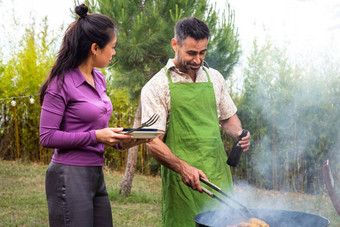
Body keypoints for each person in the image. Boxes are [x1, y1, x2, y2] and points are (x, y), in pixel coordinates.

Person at [39, 4, 148, 227]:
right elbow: (47, 137)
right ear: (95, 48)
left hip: (95, 173)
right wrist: (97, 136)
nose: (114, 52)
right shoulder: (60, 83)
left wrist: (124, 140)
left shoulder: (99, 79)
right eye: (112, 47)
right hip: (68, 175)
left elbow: (96, 129)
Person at [139, 17, 251, 226]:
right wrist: (183, 168)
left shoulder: (214, 78)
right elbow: (152, 142)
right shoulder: (156, 86)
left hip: (218, 177)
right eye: (191, 53)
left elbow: (228, 118)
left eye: (203, 52)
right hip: (184, 184)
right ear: (175, 44)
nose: (198, 60)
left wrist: (240, 133)